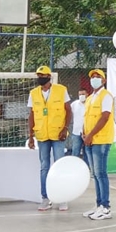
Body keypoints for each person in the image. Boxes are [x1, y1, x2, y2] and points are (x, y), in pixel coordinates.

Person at [27, 65, 71, 211]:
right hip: (42, 135)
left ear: (48, 77)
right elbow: (32, 115)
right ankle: (45, 198)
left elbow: (68, 110)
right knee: (44, 167)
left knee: (59, 165)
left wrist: (65, 128)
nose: (40, 78)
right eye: (38, 75)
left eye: (42, 75)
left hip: (58, 134)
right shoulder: (33, 93)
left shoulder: (61, 90)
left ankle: (62, 198)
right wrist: (31, 136)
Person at [82, 68, 114, 220]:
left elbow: (105, 117)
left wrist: (91, 134)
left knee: (101, 173)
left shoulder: (106, 96)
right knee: (95, 174)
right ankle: (99, 204)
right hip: (89, 139)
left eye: (97, 76)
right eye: (92, 76)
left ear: (104, 80)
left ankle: (106, 207)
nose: (94, 78)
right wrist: (84, 132)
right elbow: (86, 118)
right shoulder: (89, 98)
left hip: (100, 139)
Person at [68, 88, 88, 161]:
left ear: (87, 94)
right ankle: (74, 169)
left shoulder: (90, 103)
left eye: (83, 94)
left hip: (87, 133)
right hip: (76, 132)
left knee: (87, 153)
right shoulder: (74, 104)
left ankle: (87, 169)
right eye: (80, 94)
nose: (81, 96)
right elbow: (68, 113)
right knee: (75, 153)